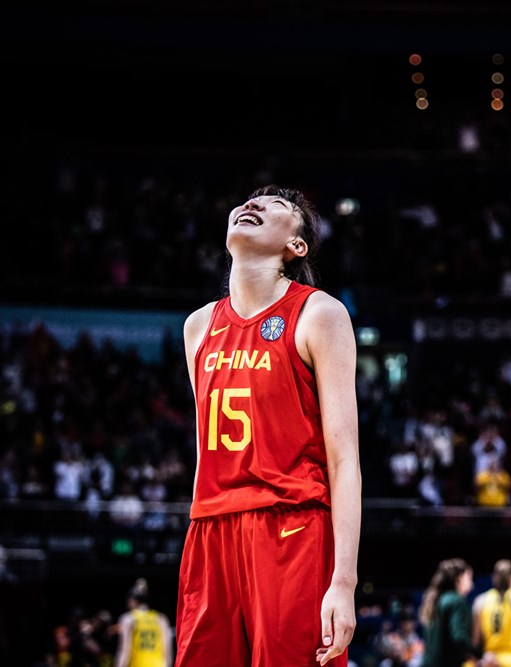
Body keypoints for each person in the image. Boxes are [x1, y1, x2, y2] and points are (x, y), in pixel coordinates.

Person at [174, 185, 361, 666]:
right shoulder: (198, 326)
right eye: (248, 202)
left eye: (275, 206)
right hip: (211, 531)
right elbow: (204, 459)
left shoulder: (319, 313)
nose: (252, 205)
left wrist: (343, 581)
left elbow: (344, 461)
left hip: (291, 528)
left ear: (295, 246)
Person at [420, 558, 476, 667]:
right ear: (458, 578)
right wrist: (477, 653)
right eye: (469, 578)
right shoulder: (456, 601)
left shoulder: (436, 600)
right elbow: (458, 636)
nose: (472, 584)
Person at [115, 578, 173, 667]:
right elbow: (167, 650)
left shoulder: (128, 619)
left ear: (133, 600)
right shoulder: (161, 619)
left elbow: (124, 650)